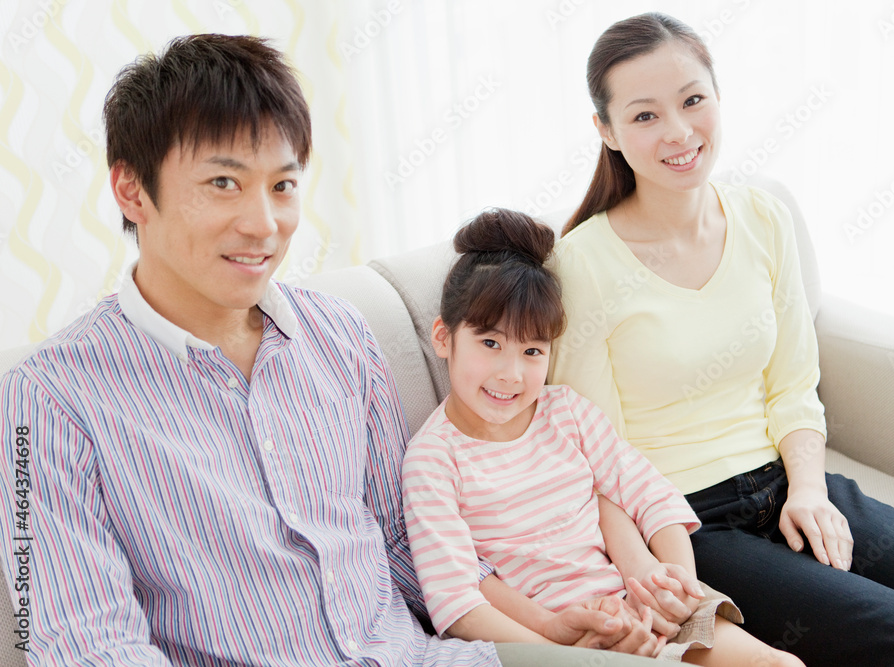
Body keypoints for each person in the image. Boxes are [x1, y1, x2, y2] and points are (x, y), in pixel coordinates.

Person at [0, 34, 662, 667]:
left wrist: (547, 629)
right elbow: (86, 644)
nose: (264, 225)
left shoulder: (339, 335)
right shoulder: (45, 397)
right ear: (131, 190)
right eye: (224, 183)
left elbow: (403, 540)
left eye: (282, 186)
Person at [548, 12, 894, 667]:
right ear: (607, 131)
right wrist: (643, 569)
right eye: (645, 115)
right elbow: (593, 454)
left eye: (692, 100)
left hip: (791, 481)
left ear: (718, 97)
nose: (679, 131)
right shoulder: (582, 263)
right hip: (690, 523)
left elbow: (793, 384)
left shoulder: (762, 216)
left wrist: (809, 489)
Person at [401, 208, 803, 666]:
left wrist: (674, 585)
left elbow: (651, 496)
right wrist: (563, 650)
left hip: (641, 607)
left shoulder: (566, 413)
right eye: (490, 343)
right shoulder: (432, 460)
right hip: (550, 644)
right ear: (443, 337)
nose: (511, 374)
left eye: (532, 350)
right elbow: (458, 607)